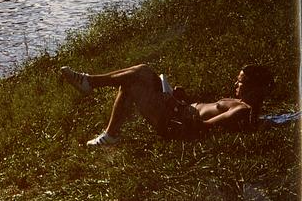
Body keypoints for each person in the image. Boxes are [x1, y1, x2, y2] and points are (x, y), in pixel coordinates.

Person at [60, 63, 273, 146]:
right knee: (137, 76)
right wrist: (183, 99)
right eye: (237, 79)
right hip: (178, 109)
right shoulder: (236, 102)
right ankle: (110, 134)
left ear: (256, 88)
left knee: (138, 75)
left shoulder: (241, 110)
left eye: (241, 82)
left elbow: (202, 128)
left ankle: (90, 83)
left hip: (174, 123)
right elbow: (203, 113)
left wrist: (173, 104)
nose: (236, 83)